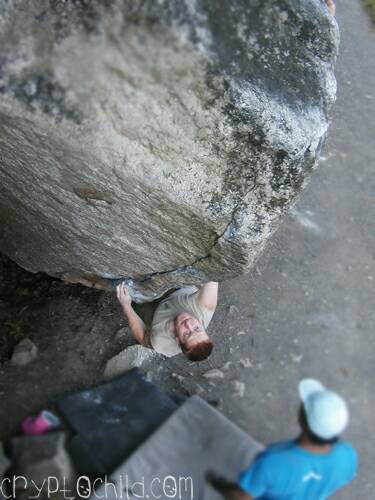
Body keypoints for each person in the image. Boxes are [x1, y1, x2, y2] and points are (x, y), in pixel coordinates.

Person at [207, 378, 358, 499]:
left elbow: (241, 497)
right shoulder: (348, 456)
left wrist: (218, 484)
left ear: (302, 417)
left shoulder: (273, 463)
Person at [116, 282, 218, 361]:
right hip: (179, 286)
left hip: (155, 310)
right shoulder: (204, 306)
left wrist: (126, 306)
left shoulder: (162, 344)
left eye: (187, 334)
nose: (188, 324)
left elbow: (142, 337)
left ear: (178, 340)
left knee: (135, 302)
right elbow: (213, 276)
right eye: (197, 328)